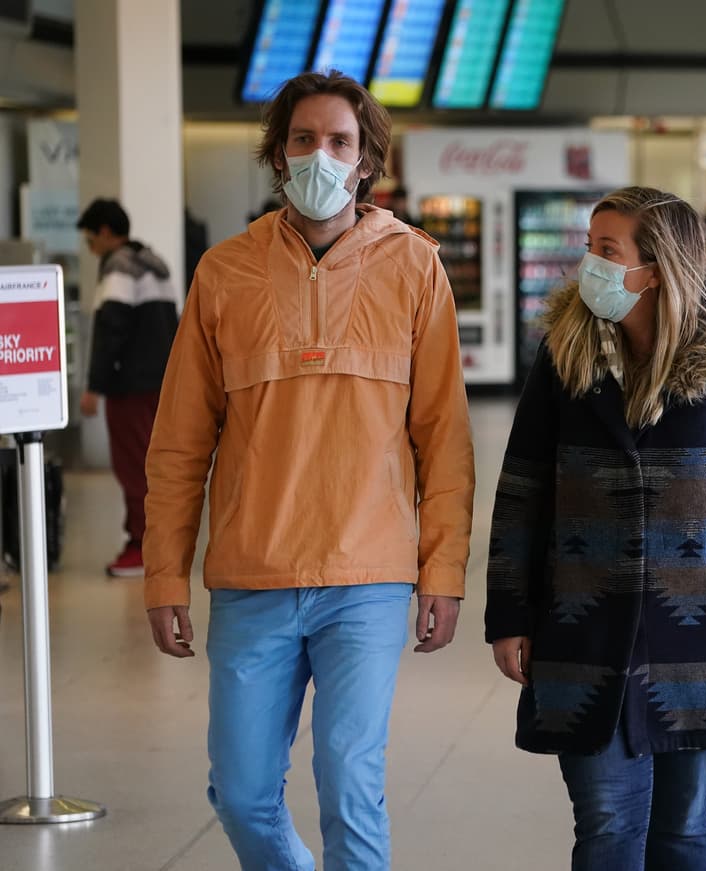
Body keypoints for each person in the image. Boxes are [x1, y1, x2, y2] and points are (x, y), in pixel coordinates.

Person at [142, 70, 475, 869]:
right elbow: (181, 442)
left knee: (349, 780)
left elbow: (445, 437)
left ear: (365, 162)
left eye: (339, 141)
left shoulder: (414, 266)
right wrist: (163, 575)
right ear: (277, 153)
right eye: (302, 139)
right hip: (253, 574)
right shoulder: (225, 272)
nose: (319, 155)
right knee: (243, 791)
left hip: (369, 574)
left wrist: (444, 571)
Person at [486, 186, 706, 871]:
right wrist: (509, 612)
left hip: (703, 632)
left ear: (658, 267)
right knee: (608, 822)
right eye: (589, 247)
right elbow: (522, 488)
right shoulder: (564, 353)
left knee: (683, 829)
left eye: (607, 250)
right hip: (583, 628)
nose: (591, 264)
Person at [76, 198, 181, 577]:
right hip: (159, 383)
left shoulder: (118, 269)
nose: (90, 249)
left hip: (129, 387)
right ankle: (150, 542)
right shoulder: (155, 264)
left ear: (105, 233)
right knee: (154, 465)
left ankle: (142, 547)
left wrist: (93, 388)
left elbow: (110, 334)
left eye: (90, 240)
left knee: (133, 467)